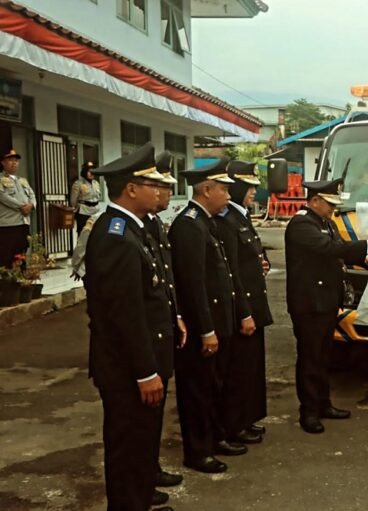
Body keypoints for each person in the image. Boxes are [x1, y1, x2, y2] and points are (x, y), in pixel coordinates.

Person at [83, 142, 175, 511]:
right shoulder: (117, 236)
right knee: (126, 445)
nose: (160, 190)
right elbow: (125, 314)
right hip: (126, 367)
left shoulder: (135, 229)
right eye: (152, 183)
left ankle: (140, 499)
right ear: (131, 189)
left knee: (141, 442)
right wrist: (144, 371)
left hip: (141, 359)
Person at [285, 178, 368, 434]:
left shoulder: (324, 222)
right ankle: (309, 411)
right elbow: (327, 247)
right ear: (314, 201)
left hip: (324, 302)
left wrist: (367, 259)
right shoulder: (302, 223)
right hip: (309, 304)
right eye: (329, 203)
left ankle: (323, 403)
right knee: (311, 359)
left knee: (323, 357)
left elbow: (337, 254)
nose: (333, 209)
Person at [169, 157, 244, 474]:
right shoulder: (188, 225)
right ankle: (197, 450)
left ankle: (214, 438)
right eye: (224, 188)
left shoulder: (205, 222)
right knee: (198, 390)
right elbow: (193, 285)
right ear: (206, 189)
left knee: (215, 386)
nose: (228, 194)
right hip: (205, 326)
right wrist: (207, 330)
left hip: (219, 321)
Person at [214, 160, 273, 445]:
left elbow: (251, 253)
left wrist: (263, 262)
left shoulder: (240, 216)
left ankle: (247, 418)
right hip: (242, 306)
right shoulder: (225, 220)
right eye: (248, 187)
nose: (253, 192)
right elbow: (231, 271)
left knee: (251, 368)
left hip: (253, 302)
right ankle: (234, 424)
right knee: (238, 371)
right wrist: (244, 312)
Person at [146, 151, 187, 490]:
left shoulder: (153, 223)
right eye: (161, 187)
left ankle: (150, 469)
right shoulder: (115, 230)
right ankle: (139, 482)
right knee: (134, 424)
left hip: (160, 332)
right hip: (136, 344)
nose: (167, 194)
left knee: (152, 418)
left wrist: (176, 315)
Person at [0, 149, 36, 269]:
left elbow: (32, 194)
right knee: (7, 255)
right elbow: (3, 196)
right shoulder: (0, 179)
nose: (14, 163)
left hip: (23, 222)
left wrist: (31, 205)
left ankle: (21, 279)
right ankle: (7, 282)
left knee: (22, 252)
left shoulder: (22, 180)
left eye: (16, 160)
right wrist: (21, 206)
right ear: (3, 163)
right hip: (8, 224)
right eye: (10, 160)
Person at [70, 161, 102, 234]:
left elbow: (98, 196)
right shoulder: (78, 183)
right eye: (89, 171)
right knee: (83, 233)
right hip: (83, 211)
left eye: (93, 171)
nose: (91, 173)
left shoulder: (96, 183)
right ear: (84, 172)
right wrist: (75, 210)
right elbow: (73, 200)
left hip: (95, 210)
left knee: (96, 232)